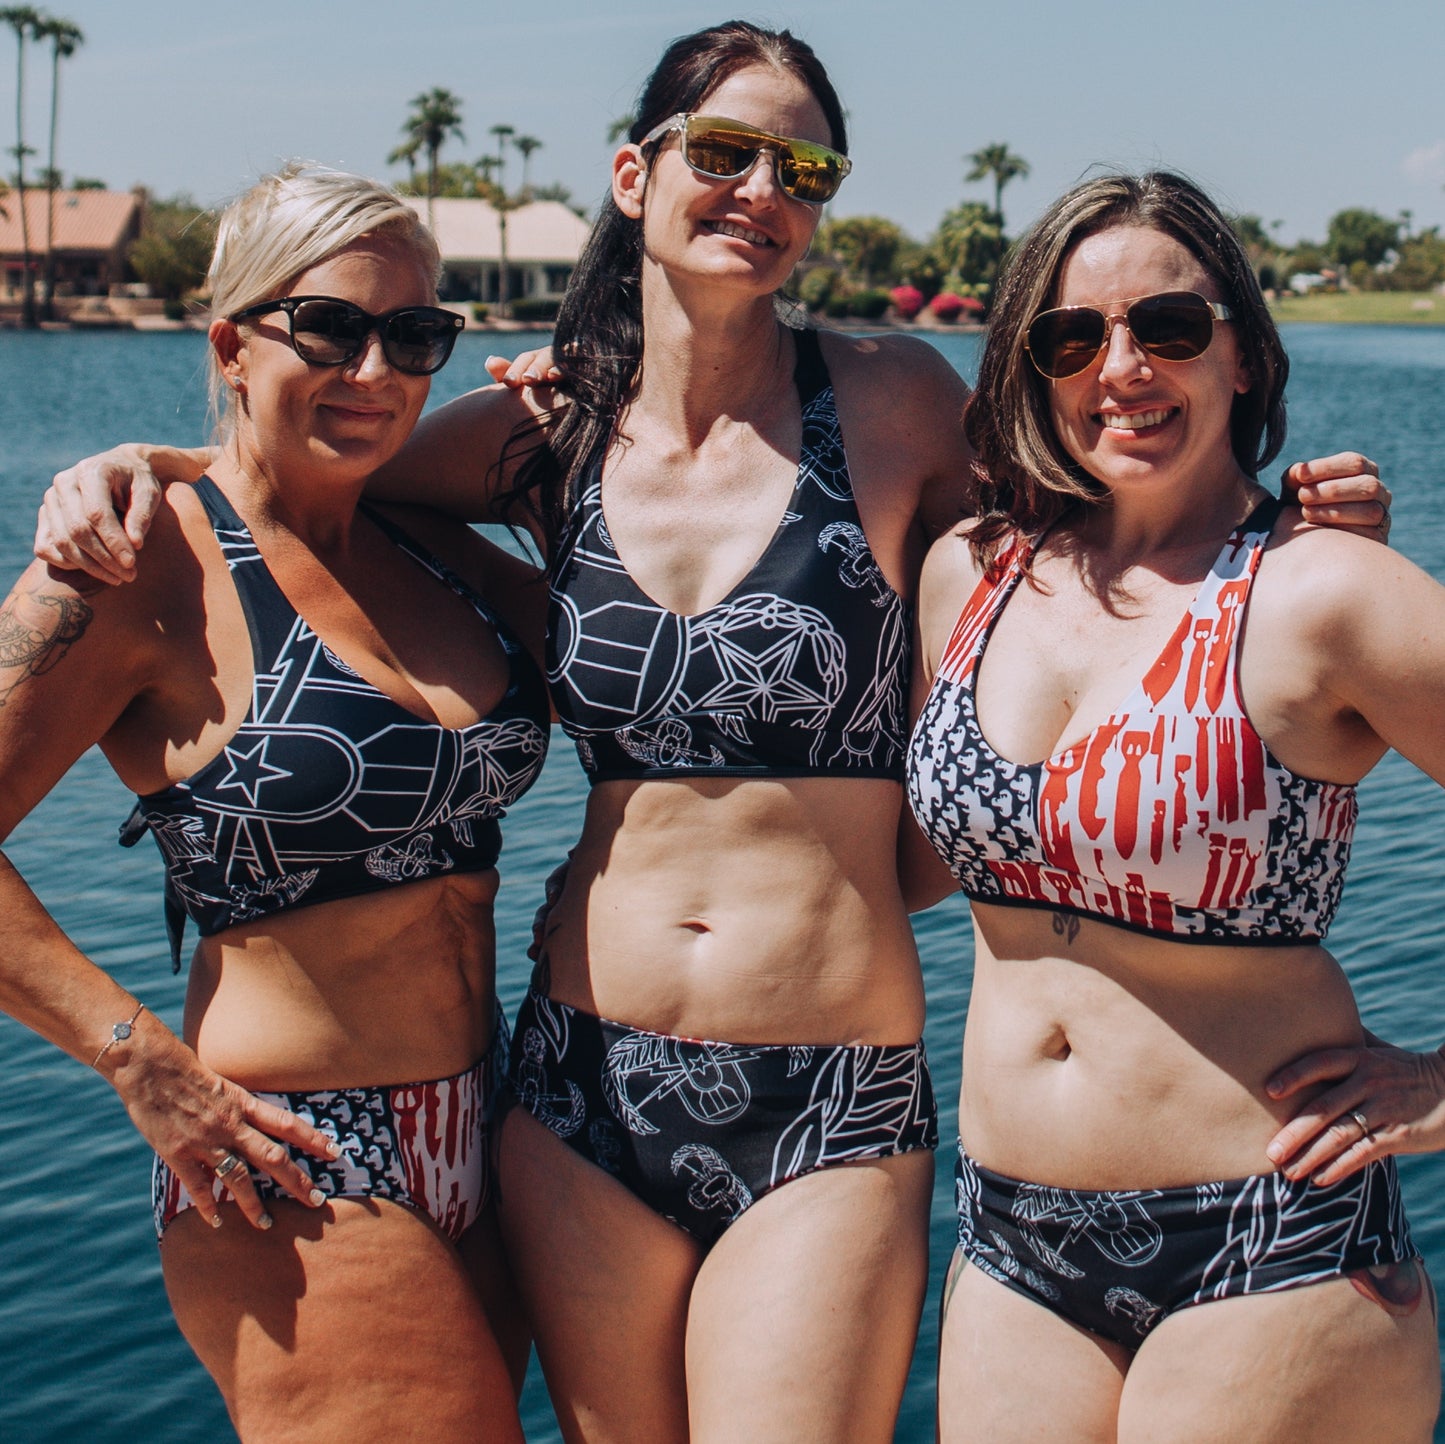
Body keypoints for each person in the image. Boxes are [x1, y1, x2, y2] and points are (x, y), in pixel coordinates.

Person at [32, 25, 1392, 1442]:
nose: (760, 187)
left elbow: (1107, 529)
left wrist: (1280, 535)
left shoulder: (893, 400)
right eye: (724, 152)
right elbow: (318, 479)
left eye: (799, 164)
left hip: (830, 1089)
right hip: (577, 1083)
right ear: (636, 174)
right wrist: (140, 466)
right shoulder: (545, 434)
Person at [3, 164, 550, 1441]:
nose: (374, 369)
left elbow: (657, 670)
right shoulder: (135, 565)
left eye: (414, 336)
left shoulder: (421, 543)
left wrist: (569, 422)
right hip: (291, 1152)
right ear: (231, 343)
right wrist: (137, 1061)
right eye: (330, 327)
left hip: (494, 1117)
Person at [904, 170, 1443, 1443]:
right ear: (1033, 369)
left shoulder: (1326, 593)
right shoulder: (967, 577)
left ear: (1244, 355)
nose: (1122, 366)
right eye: (1073, 337)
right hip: (1010, 1240)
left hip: (1267, 1239)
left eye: (1169, 327)